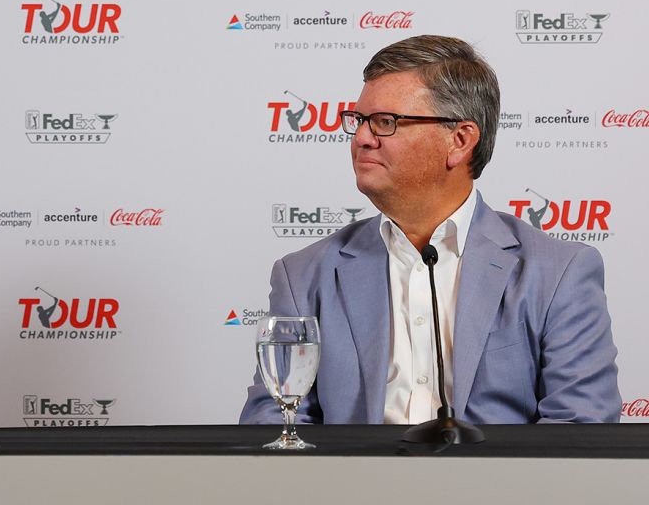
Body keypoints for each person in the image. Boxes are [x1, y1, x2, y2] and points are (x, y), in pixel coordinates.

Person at [239, 35, 619, 424]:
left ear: (460, 140)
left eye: (385, 122)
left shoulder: (558, 271)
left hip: (498, 484)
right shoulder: (303, 275)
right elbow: (277, 420)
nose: (362, 139)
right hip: (353, 482)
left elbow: (579, 424)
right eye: (358, 121)